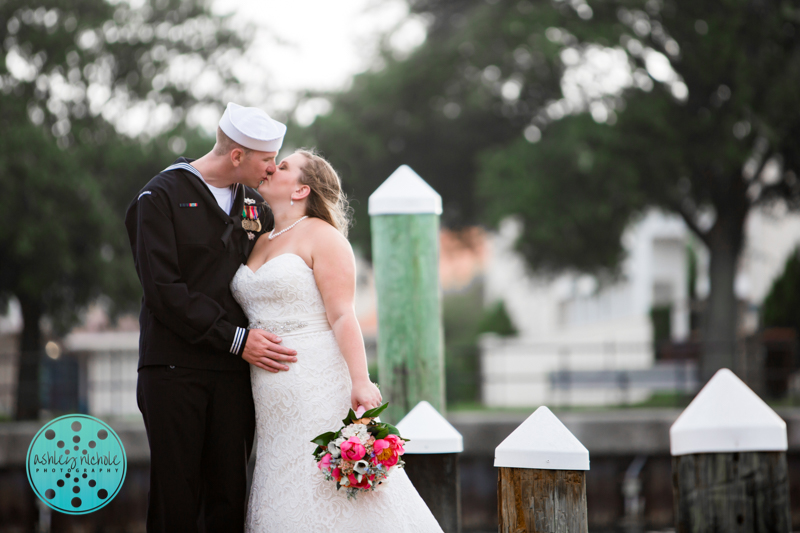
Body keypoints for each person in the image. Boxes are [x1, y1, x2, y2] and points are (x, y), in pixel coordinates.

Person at [230, 149, 444, 531]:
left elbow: (344, 315)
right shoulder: (260, 239)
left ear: (301, 190)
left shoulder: (324, 237)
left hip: (314, 378)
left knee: (325, 484)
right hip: (267, 389)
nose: (270, 170)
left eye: (282, 167)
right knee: (282, 477)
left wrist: (361, 381)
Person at [124, 103, 298, 532]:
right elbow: (164, 292)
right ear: (237, 156)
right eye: (266, 160)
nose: (273, 170)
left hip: (235, 374)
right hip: (173, 370)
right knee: (176, 500)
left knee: (229, 497)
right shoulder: (158, 197)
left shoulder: (256, 204)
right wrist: (236, 338)